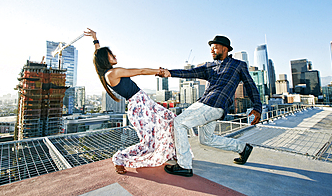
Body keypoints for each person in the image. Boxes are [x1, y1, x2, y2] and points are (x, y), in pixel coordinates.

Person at [159, 35, 262, 177]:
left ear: (225, 49)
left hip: (214, 105)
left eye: (215, 48)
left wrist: (257, 107)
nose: (212, 51)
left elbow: (250, 86)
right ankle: (243, 148)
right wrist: (170, 73)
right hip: (208, 105)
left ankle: (184, 165)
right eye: (210, 49)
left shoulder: (238, 65)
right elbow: (191, 73)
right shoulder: (210, 66)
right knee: (206, 139)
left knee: (179, 123)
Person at [84, 28, 176, 174]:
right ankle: (119, 159)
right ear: (105, 59)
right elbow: (140, 71)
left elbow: (99, 55)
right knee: (148, 143)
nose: (114, 55)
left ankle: (172, 153)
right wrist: (158, 71)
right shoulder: (114, 72)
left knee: (170, 118)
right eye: (110, 55)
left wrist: (95, 40)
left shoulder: (106, 73)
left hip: (144, 103)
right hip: (139, 106)